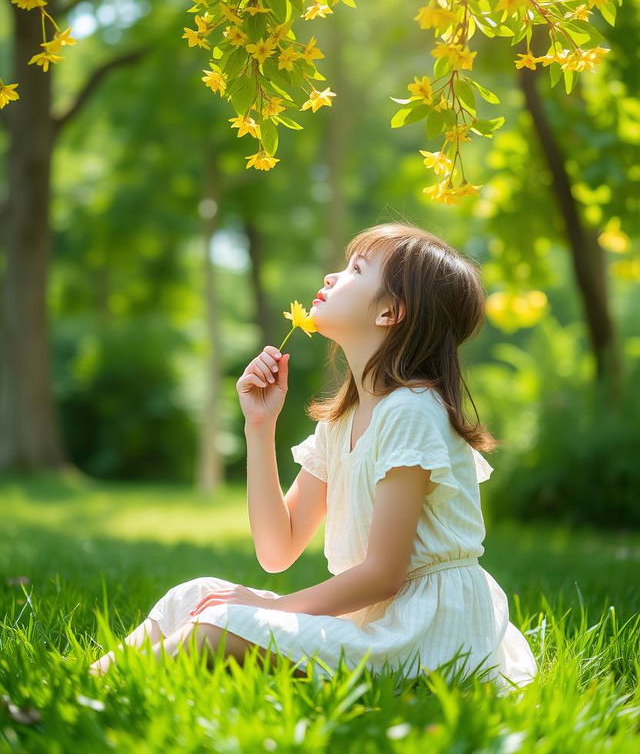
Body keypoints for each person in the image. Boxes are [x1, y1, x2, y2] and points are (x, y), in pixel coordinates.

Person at [89, 222, 538, 693]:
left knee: (218, 627)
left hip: (427, 633)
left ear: (390, 312)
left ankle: (92, 695)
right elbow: (277, 550)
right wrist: (259, 427)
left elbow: (383, 577)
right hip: (376, 618)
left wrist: (264, 610)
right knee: (195, 594)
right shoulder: (342, 421)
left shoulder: (411, 412)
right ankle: (90, 683)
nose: (330, 277)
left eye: (355, 269)